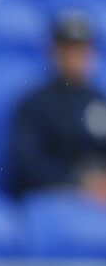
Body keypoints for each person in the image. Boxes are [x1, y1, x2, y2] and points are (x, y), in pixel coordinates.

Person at [8, 10, 106, 200]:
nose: (75, 57)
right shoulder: (34, 104)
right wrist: (77, 183)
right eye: (68, 49)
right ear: (54, 52)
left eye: (81, 49)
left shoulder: (99, 101)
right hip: (57, 200)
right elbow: (26, 165)